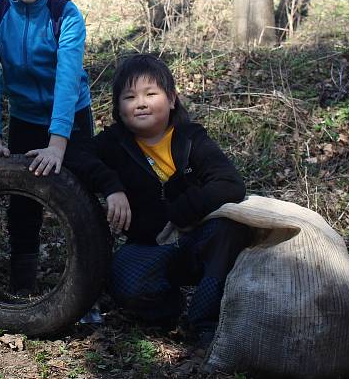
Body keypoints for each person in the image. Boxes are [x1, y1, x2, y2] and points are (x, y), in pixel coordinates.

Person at [70, 54, 250, 348]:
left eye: (151, 94)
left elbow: (230, 184)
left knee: (228, 232)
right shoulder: (113, 143)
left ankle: (202, 322)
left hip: (196, 241)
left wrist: (181, 213)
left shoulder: (192, 138)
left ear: (172, 99)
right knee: (124, 282)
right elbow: (75, 155)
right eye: (129, 97)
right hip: (147, 245)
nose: (140, 103)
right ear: (118, 108)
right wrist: (111, 186)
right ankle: (170, 311)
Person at [0, 0, 92, 295]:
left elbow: (67, 80)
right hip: (24, 118)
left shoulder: (65, 14)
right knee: (24, 203)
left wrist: (58, 144)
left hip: (71, 117)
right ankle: (23, 286)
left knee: (82, 198)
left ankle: (87, 289)